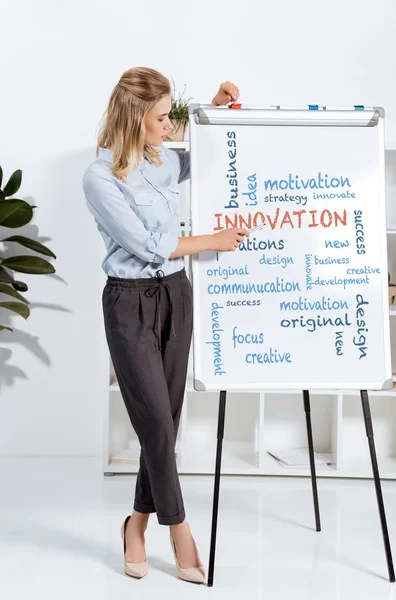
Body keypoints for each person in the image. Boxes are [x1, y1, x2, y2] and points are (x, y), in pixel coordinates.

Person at [82, 66, 249, 584]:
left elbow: (201, 156)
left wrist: (218, 107)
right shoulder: (100, 177)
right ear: (137, 119)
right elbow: (147, 246)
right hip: (129, 303)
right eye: (161, 117)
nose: (169, 124)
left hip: (177, 295)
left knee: (167, 424)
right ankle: (178, 529)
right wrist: (213, 242)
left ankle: (135, 523)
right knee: (155, 423)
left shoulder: (161, 161)